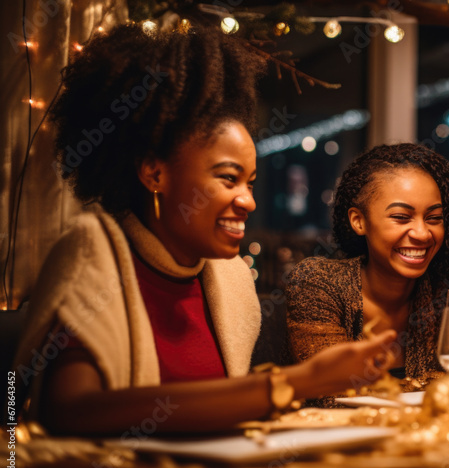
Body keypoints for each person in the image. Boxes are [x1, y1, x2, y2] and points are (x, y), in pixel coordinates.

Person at [11, 24, 395, 435]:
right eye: (228, 179)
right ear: (154, 172)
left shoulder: (229, 280)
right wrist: (294, 384)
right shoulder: (94, 253)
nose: (247, 200)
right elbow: (72, 414)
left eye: (249, 182)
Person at [285, 143, 449, 403]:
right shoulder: (318, 282)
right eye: (401, 217)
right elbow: (331, 396)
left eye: (434, 218)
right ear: (358, 221)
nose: (422, 233)